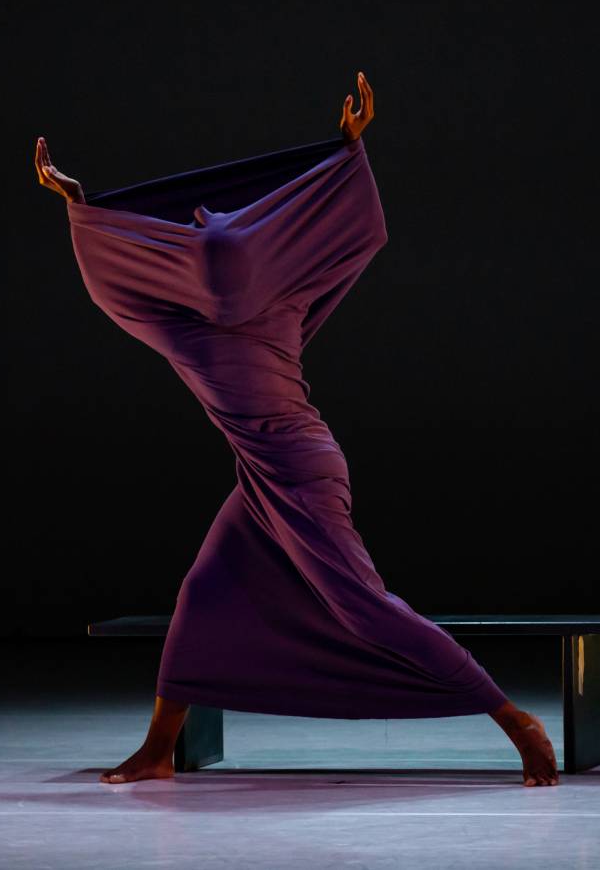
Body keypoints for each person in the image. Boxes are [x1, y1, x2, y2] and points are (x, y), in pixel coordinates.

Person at [34, 72, 559, 787]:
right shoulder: (280, 306)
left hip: (296, 472)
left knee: (366, 609)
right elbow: (341, 231)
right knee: (206, 593)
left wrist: (84, 212)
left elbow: (115, 289)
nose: (189, 238)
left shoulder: (191, 334)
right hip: (283, 470)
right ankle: (158, 751)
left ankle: (515, 721)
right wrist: (347, 153)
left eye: (195, 241)